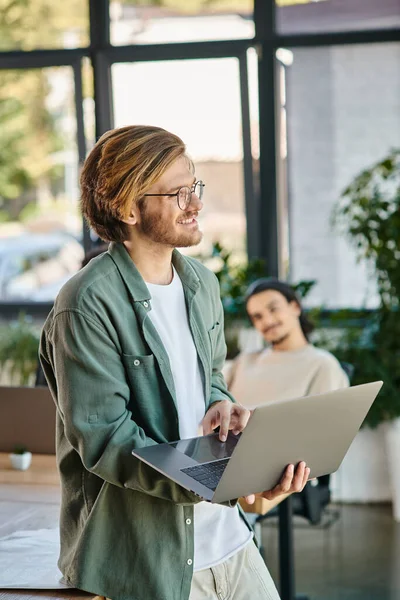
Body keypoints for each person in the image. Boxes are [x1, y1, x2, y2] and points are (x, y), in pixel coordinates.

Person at [39, 125, 311, 600]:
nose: (196, 203)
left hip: (229, 541)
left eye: (195, 187)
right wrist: (211, 480)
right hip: (144, 562)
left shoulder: (201, 284)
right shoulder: (85, 303)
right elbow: (106, 440)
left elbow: (208, 382)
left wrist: (223, 409)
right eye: (179, 192)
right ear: (128, 207)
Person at [226, 277, 349, 513]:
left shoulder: (322, 365)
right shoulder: (244, 361)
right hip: (227, 456)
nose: (267, 321)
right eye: (257, 317)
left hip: (274, 466)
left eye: (273, 309)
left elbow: (323, 436)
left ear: (295, 307)